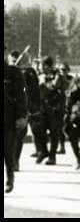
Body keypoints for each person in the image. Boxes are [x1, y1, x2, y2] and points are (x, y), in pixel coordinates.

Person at [5, 44, 29, 193]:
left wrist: (21, 116)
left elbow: (21, 96)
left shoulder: (13, 72)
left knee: (7, 150)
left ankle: (9, 179)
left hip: (7, 118)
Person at [37, 63, 65, 165]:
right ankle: (43, 151)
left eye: (42, 66)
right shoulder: (40, 76)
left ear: (47, 66)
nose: (40, 68)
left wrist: (55, 79)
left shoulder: (58, 76)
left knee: (54, 134)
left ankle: (52, 156)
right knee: (39, 131)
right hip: (43, 109)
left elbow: (61, 87)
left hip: (55, 110)